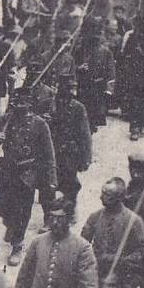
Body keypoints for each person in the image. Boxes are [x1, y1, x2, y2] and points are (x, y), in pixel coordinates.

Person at [0, 87, 57, 266]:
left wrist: (50, 180)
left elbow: (49, 154)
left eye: (24, 102)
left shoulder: (40, 124)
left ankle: (18, 244)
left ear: (31, 104)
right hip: (5, 172)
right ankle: (11, 226)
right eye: (17, 101)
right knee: (3, 208)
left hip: (27, 175)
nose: (20, 105)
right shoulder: (5, 120)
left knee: (22, 210)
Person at [81, 178, 144, 281]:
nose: (100, 197)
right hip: (97, 273)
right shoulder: (95, 217)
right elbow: (83, 245)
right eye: (102, 193)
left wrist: (123, 261)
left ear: (119, 198)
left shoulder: (134, 220)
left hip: (122, 276)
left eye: (107, 195)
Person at [49, 73, 92, 216]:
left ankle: (70, 209)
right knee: (50, 183)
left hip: (69, 153)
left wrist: (86, 157)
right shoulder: (50, 104)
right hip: (52, 151)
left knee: (70, 183)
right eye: (67, 88)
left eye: (72, 89)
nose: (71, 92)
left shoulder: (78, 108)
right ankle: (50, 214)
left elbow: (85, 135)